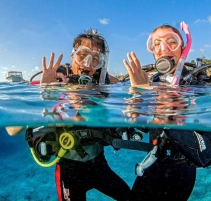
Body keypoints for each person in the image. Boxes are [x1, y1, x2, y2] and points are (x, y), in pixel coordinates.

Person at [7, 29, 130, 201]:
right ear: (72, 55)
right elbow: (12, 130)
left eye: (96, 58)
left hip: (99, 165)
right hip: (69, 171)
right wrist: (44, 95)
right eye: (83, 54)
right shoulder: (55, 81)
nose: (88, 63)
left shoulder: (105, 82)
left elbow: (135, 93)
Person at [123, 22, 211, 201]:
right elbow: (145, 126)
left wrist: (163, 115)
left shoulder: (201, 86)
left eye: (172, 42)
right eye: (156, 44)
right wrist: (138, 100)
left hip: (181, 171)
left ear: (183, 47)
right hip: (153, 164)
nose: (163, 48)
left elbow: (205, 155)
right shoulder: (150, 83)